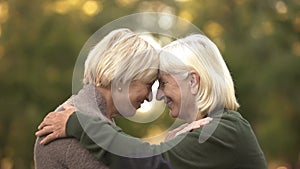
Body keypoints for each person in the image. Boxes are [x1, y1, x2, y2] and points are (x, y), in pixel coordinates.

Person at [36, 34, 267, 169]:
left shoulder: (223, 130)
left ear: (194, 82)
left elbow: (148, 162)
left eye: (164, 83)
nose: (156, 96)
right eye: (151, 84)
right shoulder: (219, 128)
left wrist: (79, 124)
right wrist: (172, 143)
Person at [34, 28, 174, 169]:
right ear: (123, 79)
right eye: (149, 85)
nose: (150, 97)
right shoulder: (76, 127)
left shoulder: (91, 119)